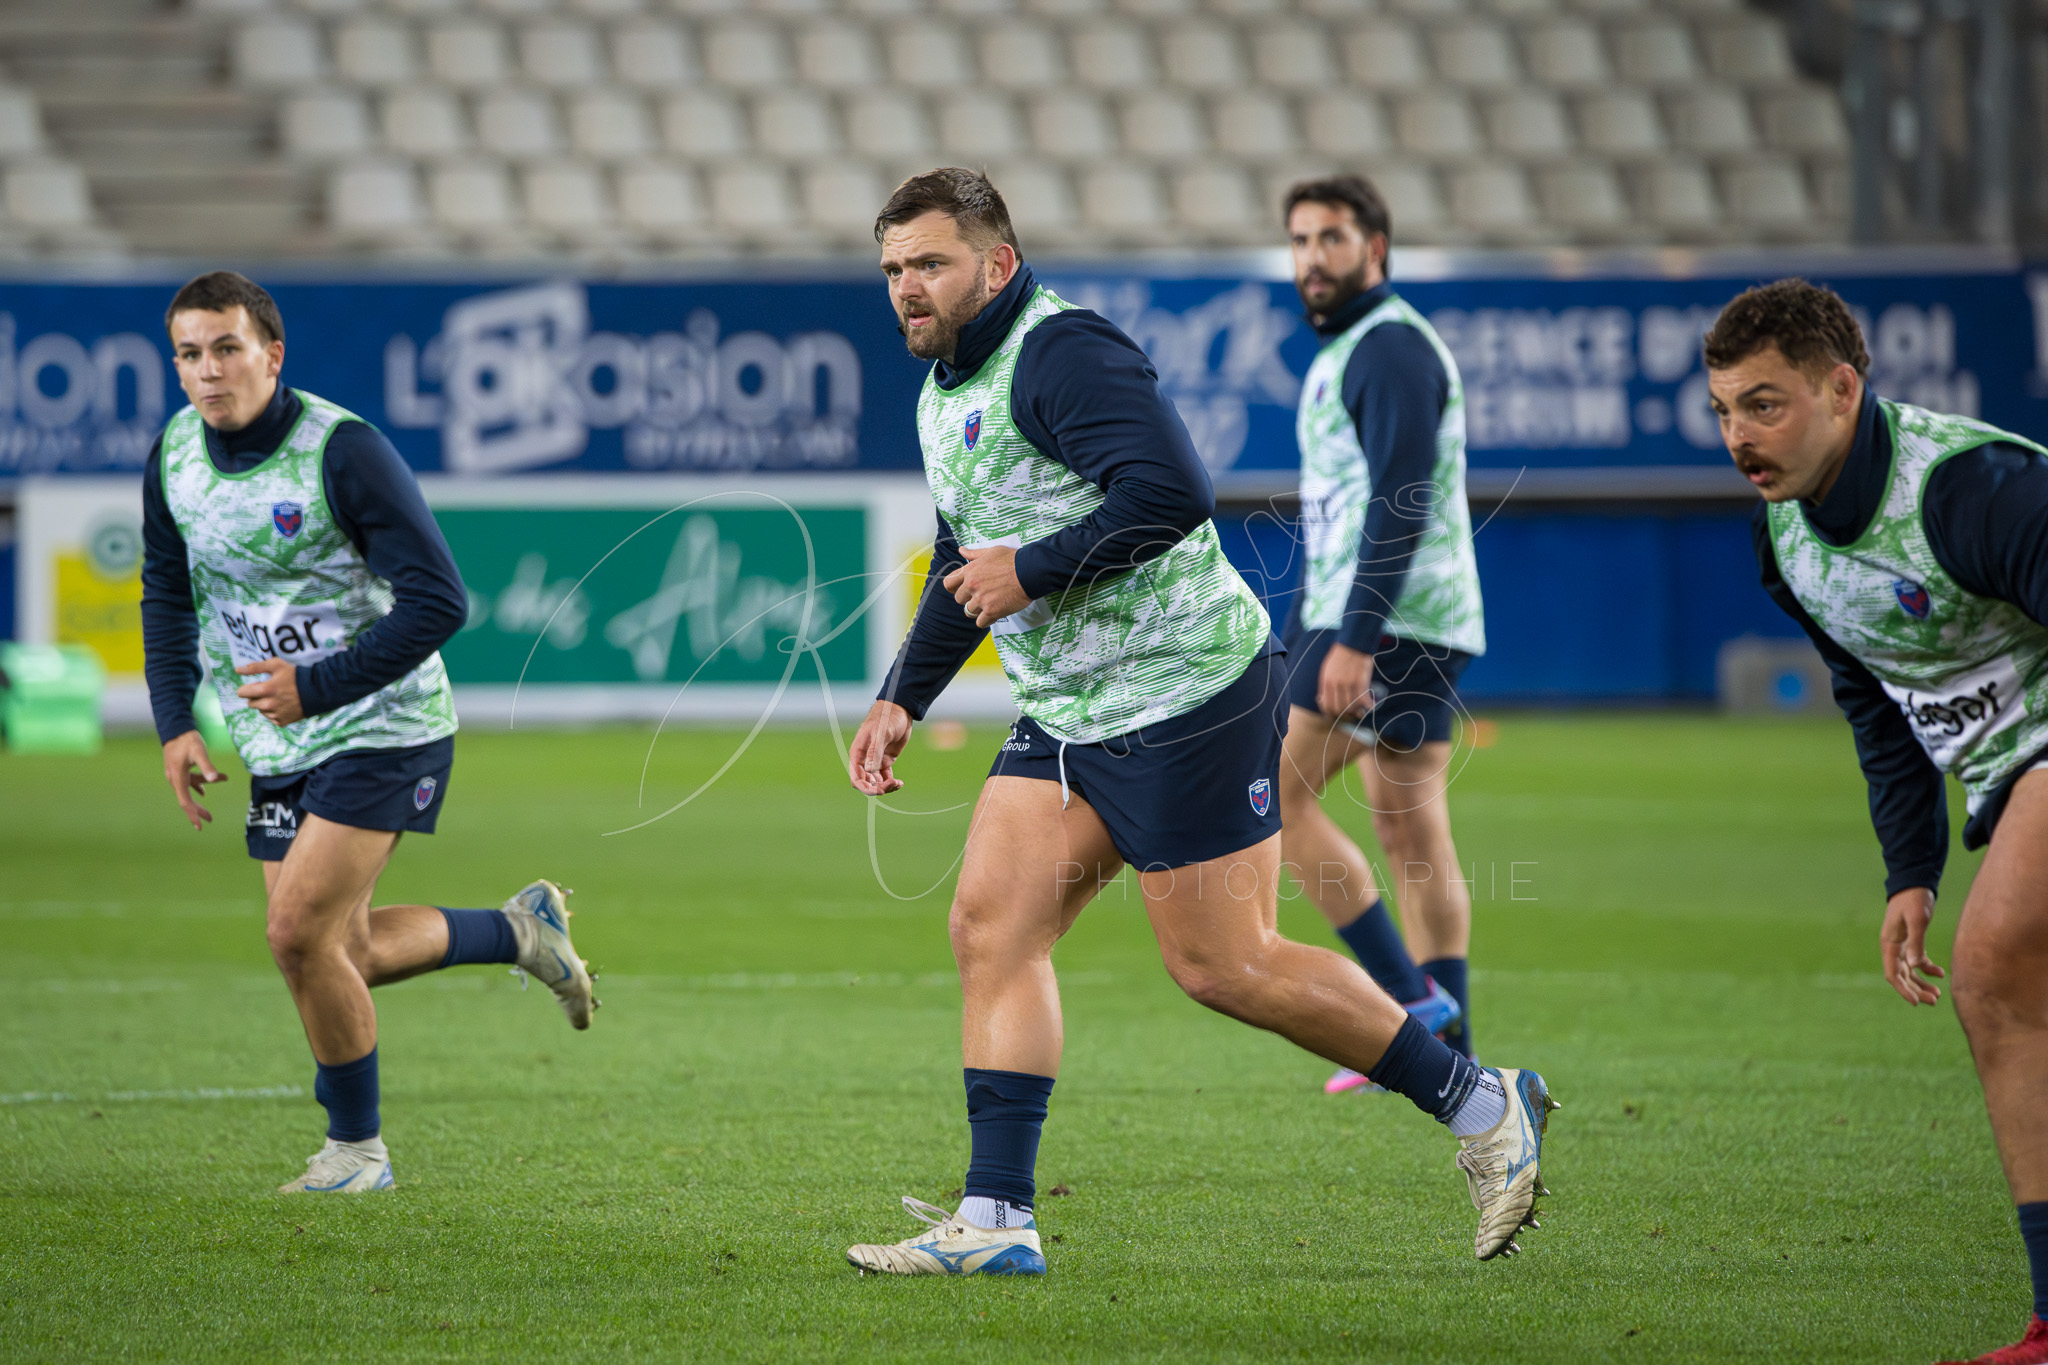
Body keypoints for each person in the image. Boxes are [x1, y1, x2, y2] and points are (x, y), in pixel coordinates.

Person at [841, 169, 1557, 1277]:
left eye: (927, 263)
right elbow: (960, 557)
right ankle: (994, 1221)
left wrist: (1027, 572)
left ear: (996, 263)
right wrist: (902, 693)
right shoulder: (943, 390)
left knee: (1224, 965)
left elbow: (1173, 491)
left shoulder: (1062, 350)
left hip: (1183, 692)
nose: (906, 287)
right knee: (991, 925)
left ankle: (1480, 1102)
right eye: (891, 269)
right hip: (1070, 708)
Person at [140, 271, 596, 1196]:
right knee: (336, 949)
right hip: (276, 743)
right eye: (189, 353)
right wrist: (173, 721)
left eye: (226, 348)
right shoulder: (176, 455)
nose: (207, 371)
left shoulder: (341, 451)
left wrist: (316, 686)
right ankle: (518, 932)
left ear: (271, 352)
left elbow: (440, 600)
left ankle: (357, 1153)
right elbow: (164, 588)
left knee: (293, 931)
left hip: (385, 723)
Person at [1711, 278, 2048, 1365]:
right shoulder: (1786, 546)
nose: (1736, 436)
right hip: (2004, 779)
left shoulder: (1971, 489)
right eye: (1720, 411)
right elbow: (1877, 702)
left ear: (1841, 388)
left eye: (1762, 405)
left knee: (1993, 967)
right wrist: (1909, 869)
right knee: (2007, 997)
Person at [1273, 175, 1487, 1095]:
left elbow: (1401, 501)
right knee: (1411, 829)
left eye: (1331, 238)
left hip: (1386, 620)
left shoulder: (1390, 348)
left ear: (1377, 247)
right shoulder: (1371, 346)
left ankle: (1405, 1001)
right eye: (1300, 240)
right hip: (1414, 616)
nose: (1313, 257)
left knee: (1267, 796)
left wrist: (1354, 636)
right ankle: (1459, 1052)